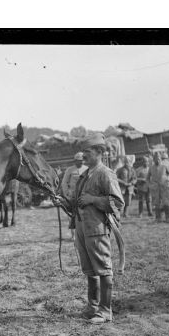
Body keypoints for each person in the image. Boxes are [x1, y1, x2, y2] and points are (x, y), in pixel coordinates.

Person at [68, 133, 124, 324]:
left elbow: (117, 202)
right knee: (90, 270)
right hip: (82, 228)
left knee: (103, 269)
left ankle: (105, 311)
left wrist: (93, 200)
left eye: (88, 151)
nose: (84, 155)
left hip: (97, 229)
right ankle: (93, 307)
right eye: (83, 151)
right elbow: (76, 203)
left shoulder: (105, 173)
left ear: (100, 152)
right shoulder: (84, 175)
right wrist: (63, 202)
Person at [60, 152, 87, 239]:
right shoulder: (70, 170)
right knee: (72, 215)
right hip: (72, 195)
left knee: (84, 215)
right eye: (79, 161)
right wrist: (67, 194)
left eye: (82, 160)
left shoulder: (87, 169)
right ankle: (73, 235)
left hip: (83, 195)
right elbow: (64, 183)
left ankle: (83, 233)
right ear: (75, 161)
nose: (81, 162)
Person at [147, 151, 169, 222]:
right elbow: (147, 178)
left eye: (159, 158)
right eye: (155, 158)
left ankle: (168, 217)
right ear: (153, 159)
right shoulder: (151, 167)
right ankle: (158, 218)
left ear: (161, 158)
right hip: (155, 188)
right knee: (156, 203)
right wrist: (150, 185)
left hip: (164, 187)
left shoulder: (164, 166)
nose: (157, 160)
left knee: (166, 202)